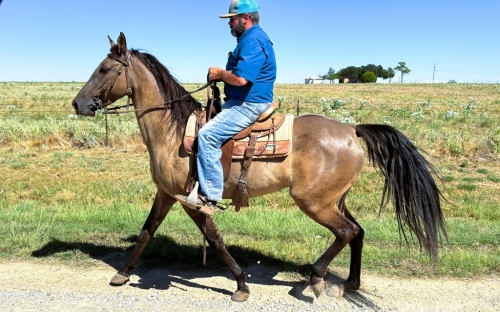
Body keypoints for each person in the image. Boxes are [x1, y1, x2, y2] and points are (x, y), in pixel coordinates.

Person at [176, 0, 276, 215]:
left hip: (248, 104)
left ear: (245, 19)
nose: (229, 23)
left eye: (232, 19)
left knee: (208, 136)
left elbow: (240, 79)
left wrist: (220, 74)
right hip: (239, 101)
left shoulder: (253, 41)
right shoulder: (248, 39)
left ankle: (210, 197)